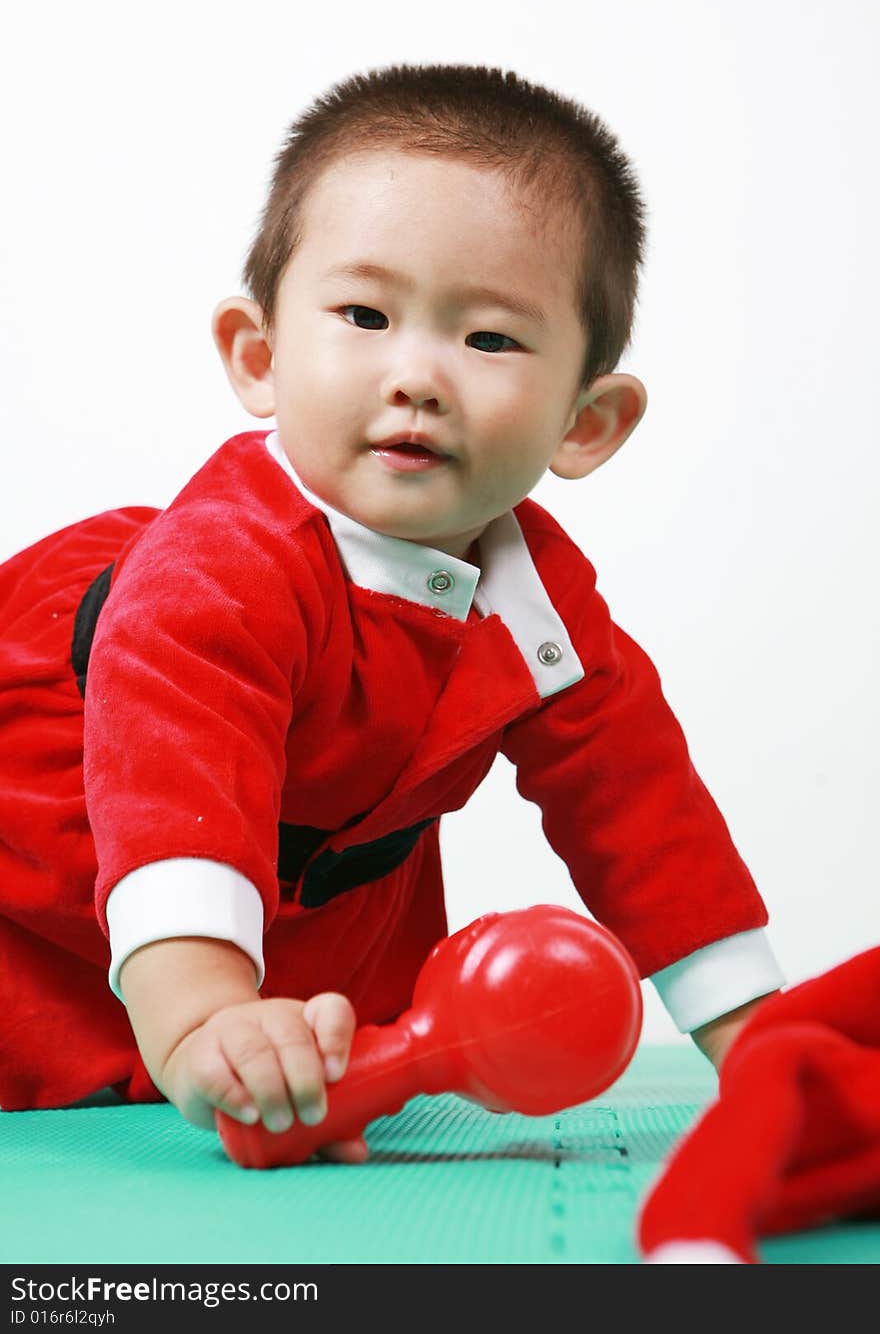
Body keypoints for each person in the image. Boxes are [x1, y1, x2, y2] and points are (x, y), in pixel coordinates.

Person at [0, 63, 784, 1161]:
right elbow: (173, 788)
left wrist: (763, 1046)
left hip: (310, 904)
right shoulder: (217, 568)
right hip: (75, 876)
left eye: (490, 339)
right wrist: (205, 1021)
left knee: (310, 1072)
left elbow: (643, 814)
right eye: (365, 315)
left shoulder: (542, 604)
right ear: (260, 355)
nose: (415, 374)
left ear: (586, 420)